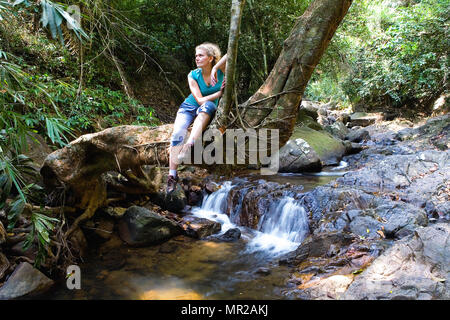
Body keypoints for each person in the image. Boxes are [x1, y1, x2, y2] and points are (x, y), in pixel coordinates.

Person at [167, 43, 227, 193]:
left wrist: (215, 68)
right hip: (189, 106)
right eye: (196, 56)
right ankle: (172, 175)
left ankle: (189, 144)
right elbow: (199, 100)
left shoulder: (221, 71)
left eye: (201, 55)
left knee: (206, 108)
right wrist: (219, 94)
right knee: (176, 135)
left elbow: (231, 54)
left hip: (208, 108)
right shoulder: (193, 75)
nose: (197, 58)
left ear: (211, 58)